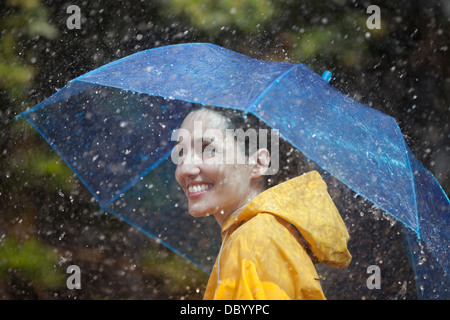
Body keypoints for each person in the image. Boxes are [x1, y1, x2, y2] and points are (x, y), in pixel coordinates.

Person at [174, 105, 352, 300]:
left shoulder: (254, 240)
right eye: (181, 152)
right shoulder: (264, 233)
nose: (185, 169)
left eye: (208, 150)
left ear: (258, 163)